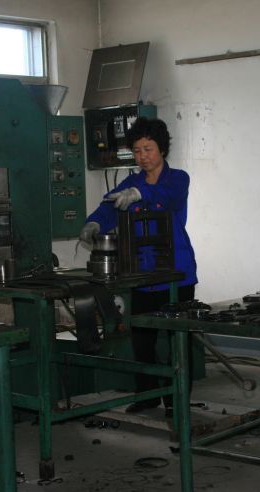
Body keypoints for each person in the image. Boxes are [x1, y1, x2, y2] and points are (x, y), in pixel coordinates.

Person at [80, 117, 198, 415]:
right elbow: (109, 206)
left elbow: (168, 197)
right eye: (136, 150)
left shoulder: (178, 179)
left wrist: (141, 194)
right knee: (142, 341)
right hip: (142, 274)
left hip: (177, 273)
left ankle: (176, 400)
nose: (142, 156)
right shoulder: (130, 183)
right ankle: (147, 395)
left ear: (162, 149)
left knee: (177, 342)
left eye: (148, 149)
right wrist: (94, 222)